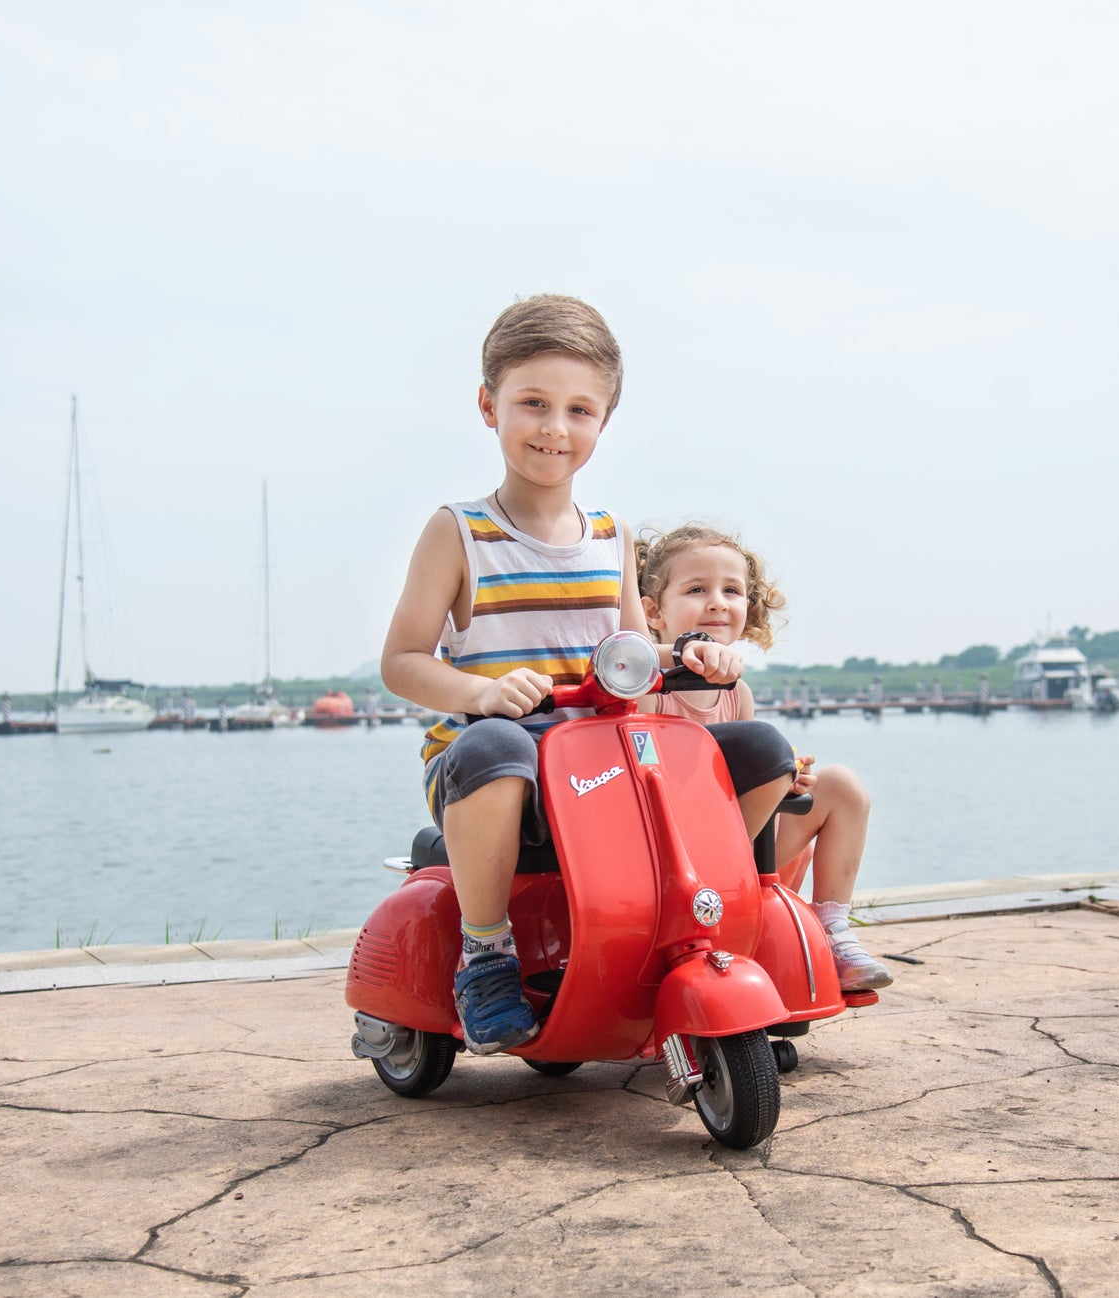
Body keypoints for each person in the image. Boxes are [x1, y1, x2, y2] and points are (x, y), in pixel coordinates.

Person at [380, 296, 797, 1054]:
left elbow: (635, 662)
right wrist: (480, 694)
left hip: (598, 775)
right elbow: (402, 660)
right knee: (497, 746)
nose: (554, 428)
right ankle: (486, 952)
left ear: (603, 422)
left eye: (579, 410)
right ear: (488, 406)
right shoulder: (459, 532)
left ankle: (696, 912)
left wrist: (695, 659)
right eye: (532, 403)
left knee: (763, 750)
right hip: (501, 774)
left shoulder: (612, 536)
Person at [635, 522, 892, 992]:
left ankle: (832, 928)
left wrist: (784, 782)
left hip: (740, 842)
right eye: (697, 589)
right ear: (652, 612)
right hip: (673, 854)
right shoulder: (650, 691)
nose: (717, 602)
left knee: (843, 787)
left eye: (731, 590)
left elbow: (746, 774)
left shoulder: (738, 694)